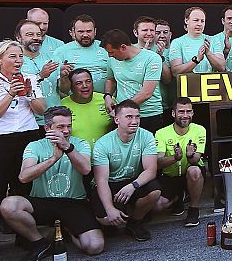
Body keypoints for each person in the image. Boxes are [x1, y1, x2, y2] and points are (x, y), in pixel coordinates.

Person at [1, 106, 103, 261]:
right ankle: (40, 243)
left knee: (95, 246)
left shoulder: (79, 143)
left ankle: (66, 231)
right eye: (60, 127)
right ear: (47, 128)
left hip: (73, 202)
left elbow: (85, 169)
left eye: (69, 126)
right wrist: (53, 159)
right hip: (43, 201)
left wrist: (68, 148)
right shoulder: (35, 146)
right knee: (9, 205)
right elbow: (24, 177)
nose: (66, 131)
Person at [0, 40, 45, 260]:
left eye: (20, 56)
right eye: (12, 56)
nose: (18, 61)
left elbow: (42, 110)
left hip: (29, 136)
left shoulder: (30, 78)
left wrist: (29, 94)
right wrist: (11, 94)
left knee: (24, 187)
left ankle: (25, 236)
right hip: (1, 139)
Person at [91, 100, 161, 241]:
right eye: (129, 117)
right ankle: (112, 219)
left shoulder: (147, 136)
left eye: (137, 116)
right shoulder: (102, 144)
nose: (134, 121)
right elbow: (101, 181)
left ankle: (134, 222)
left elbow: (151, 170)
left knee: (155, 191)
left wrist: (133, 186)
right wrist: (110, 209)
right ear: (117, 120)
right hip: (110, 183)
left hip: (133, 181)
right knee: (105, 218)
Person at [154, 98, 206, 226]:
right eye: (181, 112)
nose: (185, 115)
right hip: (171, 176)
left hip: (192, 171)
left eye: (188, 111)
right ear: (173, 113)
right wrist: (175, 158)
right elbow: (158, 163)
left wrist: (189, 155)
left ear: (192, 113)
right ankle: (178, 197)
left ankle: (193, 209)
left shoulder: (200, 130)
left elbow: (196, 160)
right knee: (157, 206)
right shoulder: (161, 133)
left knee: (194, 171)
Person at [102, 29, 164, 134]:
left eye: (111, 52)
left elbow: (147, 93)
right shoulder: (112, 60)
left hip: (148, 114)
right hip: (122, 116)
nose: (109, 55)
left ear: (123, 47)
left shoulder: (152, 58)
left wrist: (120, 109)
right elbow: (111, 79)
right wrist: (107, 96)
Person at [16, 19, 61, 127]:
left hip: (55, 120)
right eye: (30, 34)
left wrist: (64, 77)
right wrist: (40, 76)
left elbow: (63, 90)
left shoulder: (53, 58)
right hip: (27, 123)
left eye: (38, 34)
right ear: (18, 38)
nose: (36, 38)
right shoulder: (15, 61)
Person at [53, 14, 109, 94]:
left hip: (105, 99)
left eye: (89, 31)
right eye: (81, 32)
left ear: (95, 31)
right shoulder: (61, 51)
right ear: (73, 32)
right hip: (75, 100)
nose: (85, 35)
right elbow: (62, 90)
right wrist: (63, 77)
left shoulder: (106, 48)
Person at [168, 7, 226, 78]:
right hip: (189, 84)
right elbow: (175, 71)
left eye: (202, 21)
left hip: (211, 84)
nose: (199, 24)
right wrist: (196, 60)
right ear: (186, 20)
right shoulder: (177, 42)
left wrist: (208, 53)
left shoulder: (213, 40)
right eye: (196, 20)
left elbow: (222, 67)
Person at [61, 68, 111, 148]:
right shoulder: (62, 106)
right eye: (79, 83)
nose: (85, 86)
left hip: (106, 153)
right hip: (75, 154)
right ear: (71, 87)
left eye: (88, 81)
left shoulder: (107, 101)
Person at [154, 18, 175, 122]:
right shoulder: (148, 51)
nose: (162, 35)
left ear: (170, 35)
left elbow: (167, 80)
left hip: (174, 105)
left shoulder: (176, 50)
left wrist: (161, 57)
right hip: (155, 106)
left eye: (165, 32)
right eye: (158, 32)